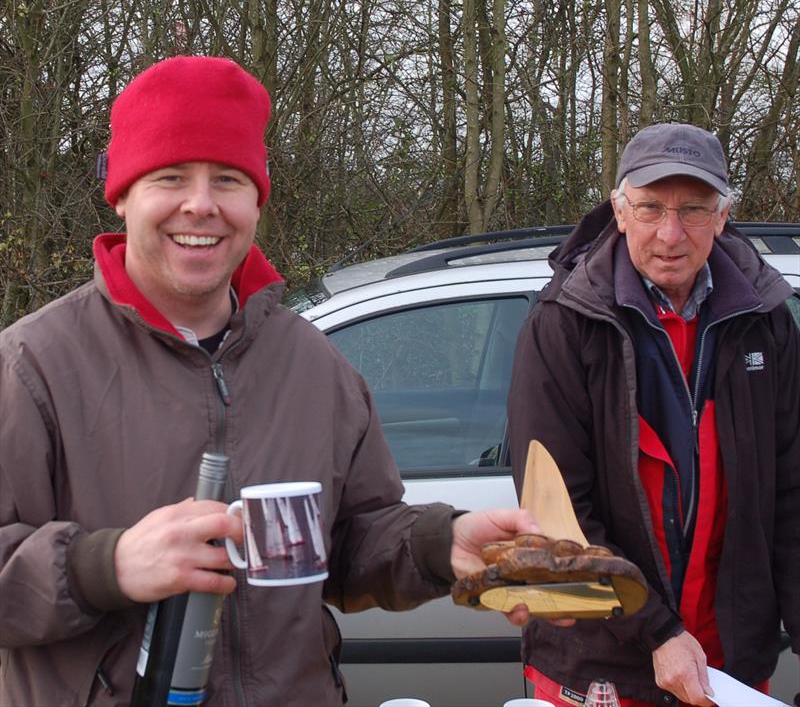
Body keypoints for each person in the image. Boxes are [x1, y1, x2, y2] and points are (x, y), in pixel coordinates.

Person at [0, 56, 537, 706]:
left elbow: (348, 541)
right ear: (121, 194)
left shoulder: (312, 364)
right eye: (170, 176)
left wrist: (438, 541)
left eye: (227, 179)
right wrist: (104, 565)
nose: (201, 204)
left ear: (257, 199)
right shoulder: (32, 365)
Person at [507, 123, 800, 707]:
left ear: (721, 217)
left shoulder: (766, 323)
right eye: (650, 208)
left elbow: (792, 497)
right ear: (619, 210)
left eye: (693, 209)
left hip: (728, 666)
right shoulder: (564, 325)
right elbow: (559, 515)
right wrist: (658, 632)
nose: (671, 233)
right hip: (601, 663)